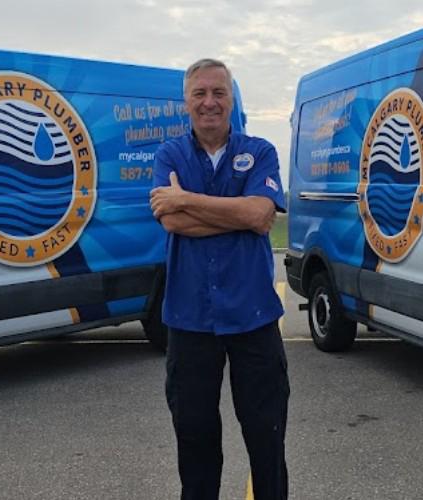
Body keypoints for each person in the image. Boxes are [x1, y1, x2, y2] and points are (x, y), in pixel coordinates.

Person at [150, 58, 289, 500]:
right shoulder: (170, 155)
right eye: (200, 93)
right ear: (186, 102)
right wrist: (239, 214)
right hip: (189, 319)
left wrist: (186, 199)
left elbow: (261, 214)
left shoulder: (260, 151)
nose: (209, 102)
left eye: (218, 92)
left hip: (253, 316)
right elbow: (172, 222)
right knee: (195, 438)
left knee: (266, 436)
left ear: (232, 100)